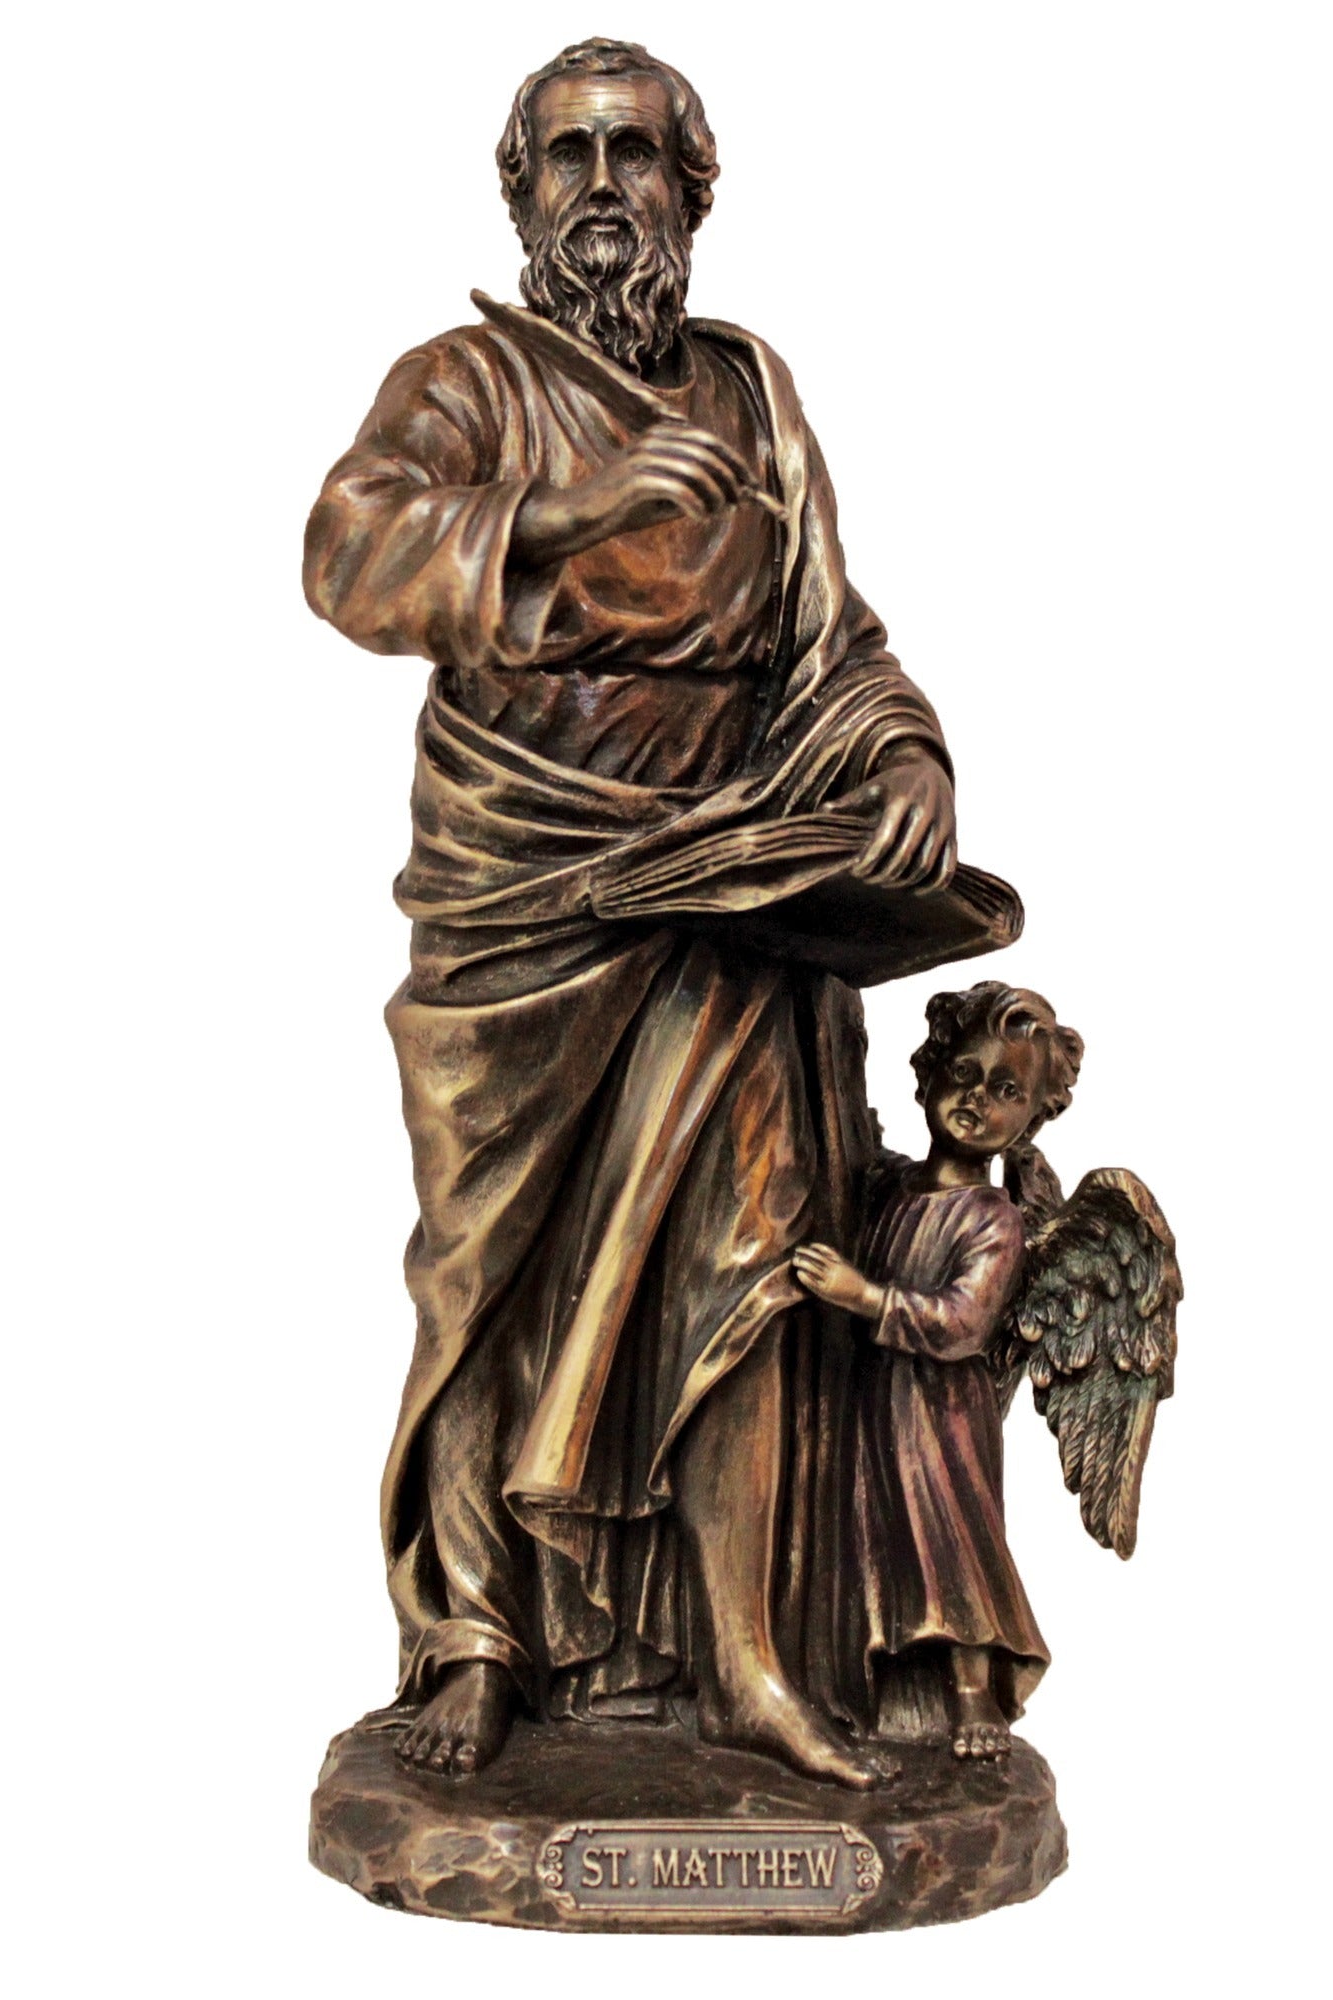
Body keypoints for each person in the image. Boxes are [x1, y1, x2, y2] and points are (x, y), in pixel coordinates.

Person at [303, 39, 1017, 1782]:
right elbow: (346, 557)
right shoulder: (466, 382)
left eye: (638, 155)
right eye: (571, 156)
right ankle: (476, 1641)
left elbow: (831, 636)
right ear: (522, 193)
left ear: (694, 192)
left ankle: (750, 1660)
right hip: (520, 893)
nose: (604, 188)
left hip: (734, 890)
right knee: (489, 1269)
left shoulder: (753, 392)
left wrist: (902, 749)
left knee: (747, 1263)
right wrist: (568, 509)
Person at [793, 984, 1078, 1758]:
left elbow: (962, 1321)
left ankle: (971, 1690)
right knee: (872, 1530)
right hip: (873, 1398)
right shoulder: (889, 1185)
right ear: (928, 1075)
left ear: (1032, 1120)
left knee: (951, 1537)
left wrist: (863, 1295)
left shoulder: (994, 1220)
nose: (976, 1099)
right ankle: (876, 1679)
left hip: (941, 1413)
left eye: (1007, 1090)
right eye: (964, 1073)